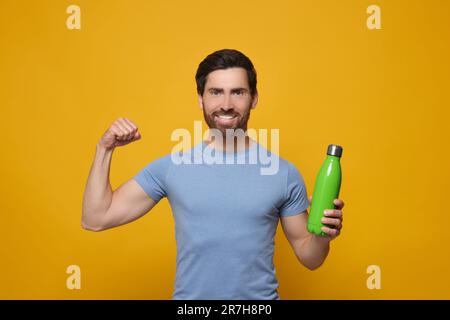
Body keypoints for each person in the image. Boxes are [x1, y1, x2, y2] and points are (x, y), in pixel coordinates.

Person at [81, 49, 345, 300]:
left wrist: (323, 235)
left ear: (254, 98)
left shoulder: (284, 173)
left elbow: (309, 257)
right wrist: (104, 149)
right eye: (216, 92)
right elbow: (95, 218)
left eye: (238, 92)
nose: (226, 104)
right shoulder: (171, 168)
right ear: (201, 98)